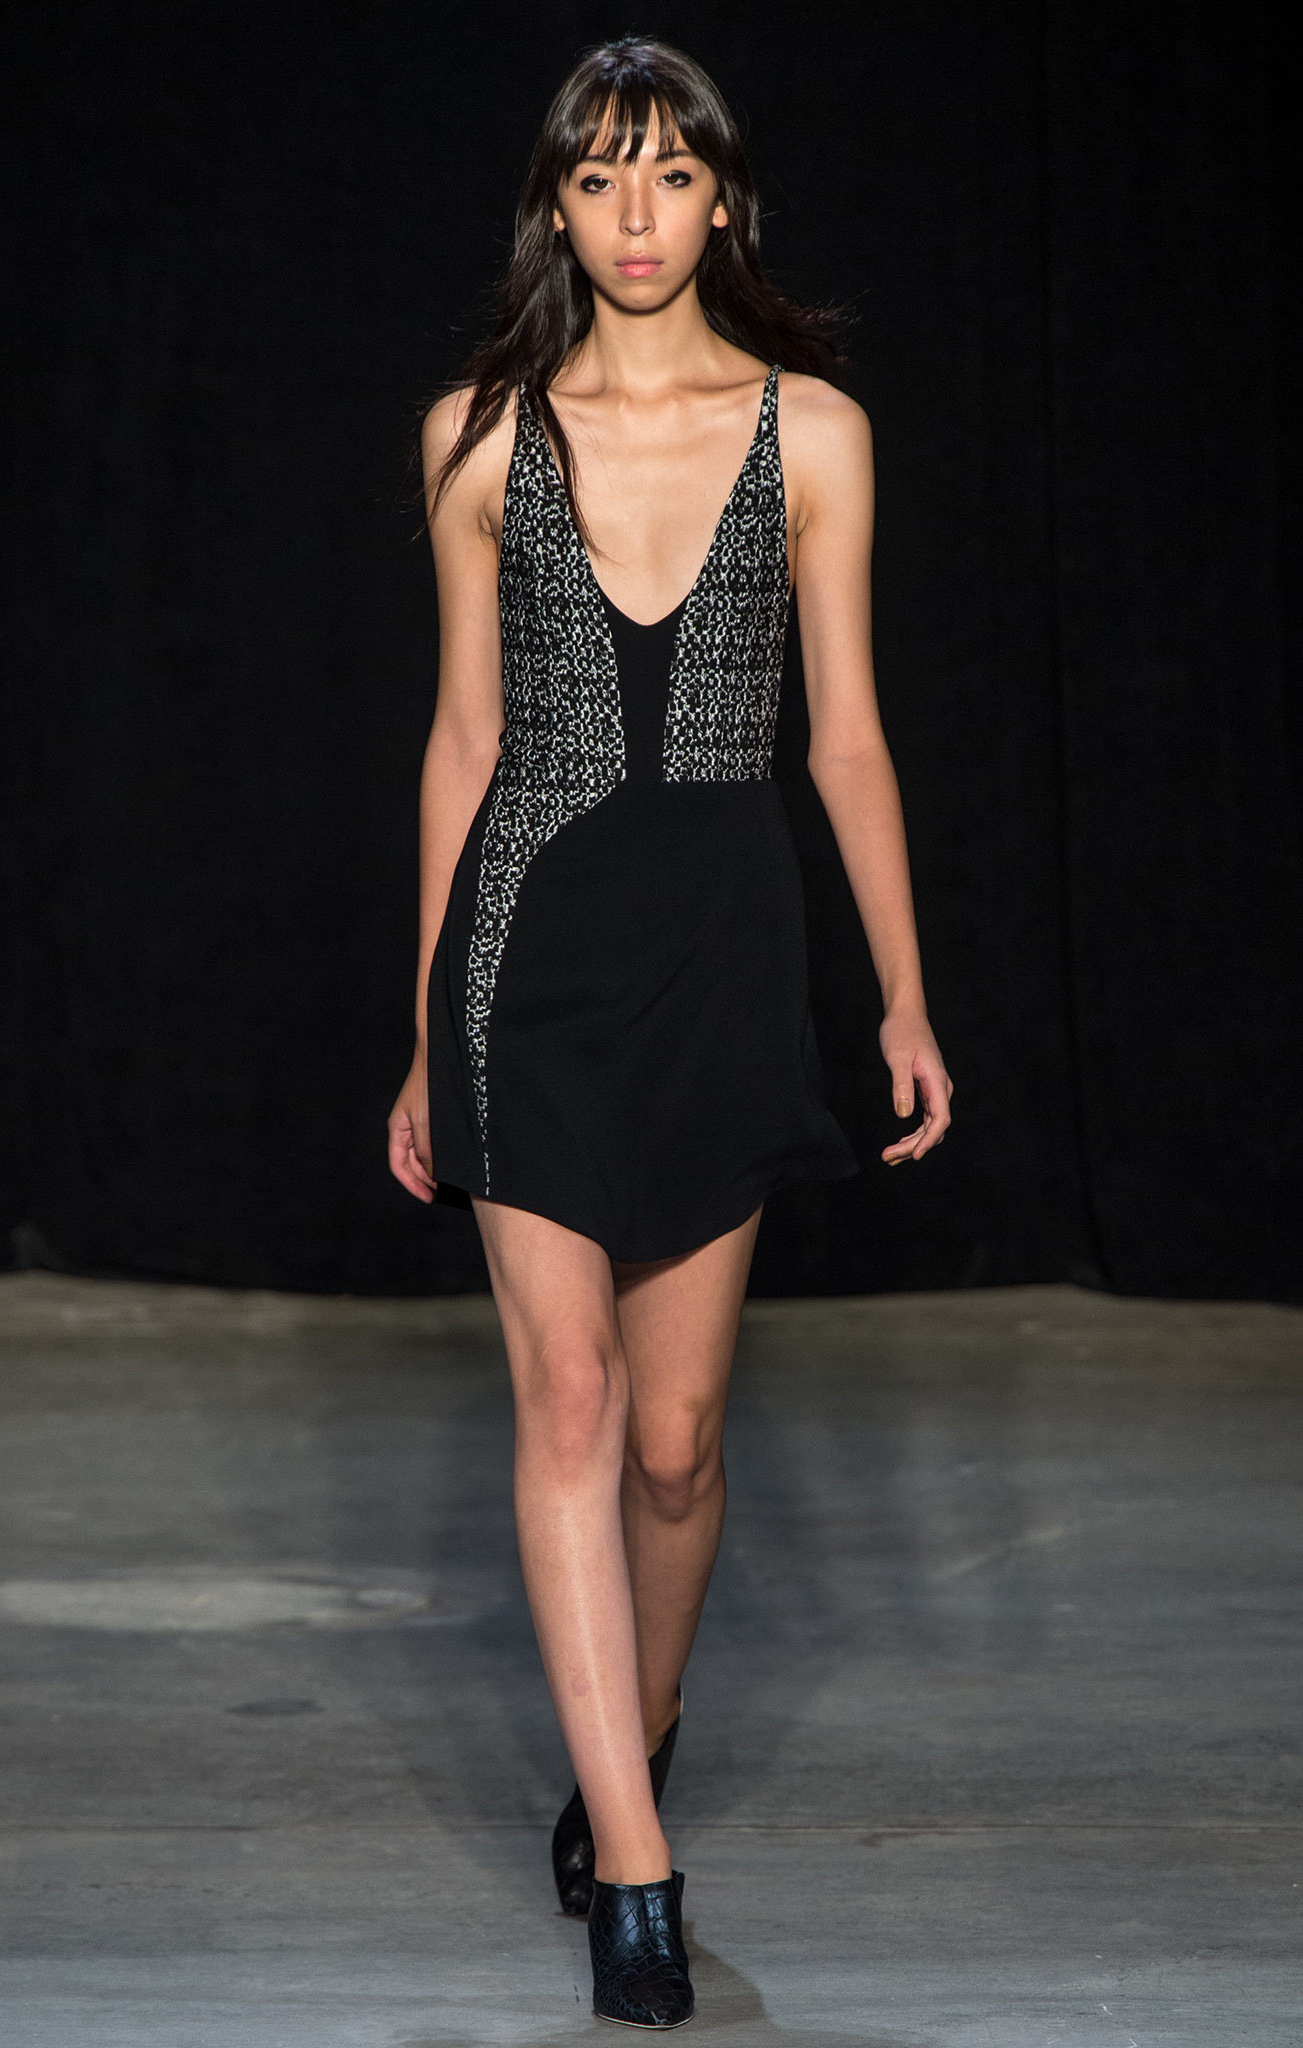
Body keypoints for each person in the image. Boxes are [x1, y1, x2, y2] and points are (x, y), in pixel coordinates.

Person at [389, 35, 953, 2031]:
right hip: (523, 957)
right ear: (553, 205)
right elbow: (463, 742)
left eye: (671, 177)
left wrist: (897, 992)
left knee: (676, 1440)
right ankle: (634, 1868)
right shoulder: (476, 435)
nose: (636, 217)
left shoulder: (813, 435)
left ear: (723, 199)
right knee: (567, 1399)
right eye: (598, 178)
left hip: (722, 953)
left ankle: (635, 1728)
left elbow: (847, 738)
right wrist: (421, 1035)